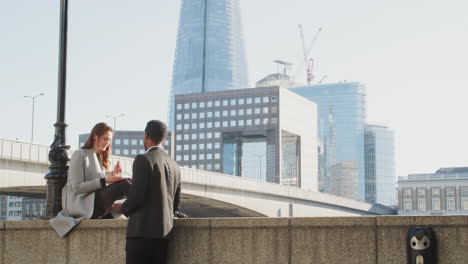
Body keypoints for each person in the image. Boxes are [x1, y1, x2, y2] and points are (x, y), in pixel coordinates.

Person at [113, 120, 181, 264]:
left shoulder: (142, 159)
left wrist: (122, 207)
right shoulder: (175, 165)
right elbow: (176, 203)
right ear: (163, 139)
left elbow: (136, 197)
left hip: (141, 234)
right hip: (164, 236)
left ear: (146, 135)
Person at [50, 122, 131, 237]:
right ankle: (148, 210)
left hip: (94, 203)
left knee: (128, 181)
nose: (107, 143)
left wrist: (114, 175)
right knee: (124, 184)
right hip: (82, 206)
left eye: (109, 140)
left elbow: (98, 186)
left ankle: (140, 210)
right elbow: (77, 187)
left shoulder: (98, 158)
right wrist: (105, 180)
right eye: (105, 139)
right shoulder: (80, 154)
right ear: (95, 136)